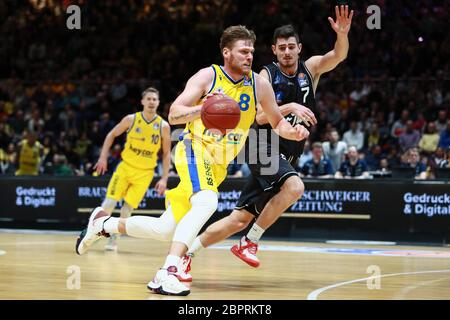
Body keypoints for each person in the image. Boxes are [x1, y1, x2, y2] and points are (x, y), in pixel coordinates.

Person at [75, 25, 309, 296]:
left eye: (251, 52)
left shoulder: (259, 84)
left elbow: (276, 121)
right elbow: (174, 114)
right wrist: (205, 107)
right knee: (208, 201)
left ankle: (102, 224)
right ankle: (168, 272)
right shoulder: (208, 76)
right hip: (193, 149)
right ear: (226, 52)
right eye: (243, 51)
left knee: (165, 228)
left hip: (219, 164)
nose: (249, 56)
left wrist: (292, 130)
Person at [185, 5, 353, 272]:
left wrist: (342, 34)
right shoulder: (265, 75)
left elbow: (338, 55)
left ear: (299, 48)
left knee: (239, 218)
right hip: (259, 147)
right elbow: (260, 116)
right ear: (274, 50)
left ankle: (186, 254)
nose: (286, 51)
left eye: (291, 46)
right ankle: (249, 243)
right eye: (281, 47)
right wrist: (289, 108)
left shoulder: (310, 69)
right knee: (295, 187)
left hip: (286, 152)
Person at [87, 87, 171, 251]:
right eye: (149, 99)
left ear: (158, 102)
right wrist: (103, 157)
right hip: (125, 168)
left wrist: (164, 178)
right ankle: (93, 234)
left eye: (155, 99)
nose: (152, 102)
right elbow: (111, 135)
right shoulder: (131, 119)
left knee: (127, 210)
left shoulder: (163, 126)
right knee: (109, 203)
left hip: (145, 173)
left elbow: (167, 153)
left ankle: (113, 240)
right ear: (142, 102)